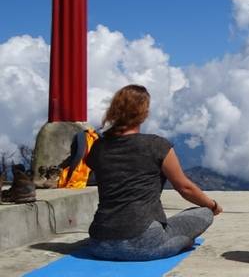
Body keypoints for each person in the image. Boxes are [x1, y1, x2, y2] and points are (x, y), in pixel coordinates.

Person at [85, 84, 223, 261]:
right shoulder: (156, 145)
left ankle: (176, 240)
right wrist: (212, 205)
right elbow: (185, 188)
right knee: (202, 213)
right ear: (144, 113)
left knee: (179, 224)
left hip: (99, 243)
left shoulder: (98, 147)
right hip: (144, 243)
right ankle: (178, 242)